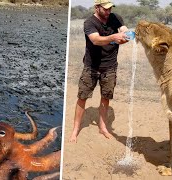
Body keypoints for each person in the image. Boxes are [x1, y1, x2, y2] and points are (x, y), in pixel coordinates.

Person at [69, 0, 129, 143]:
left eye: (110, 9)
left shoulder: (116, 18)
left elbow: (125, 31)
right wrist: (114, 37)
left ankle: (102, 126)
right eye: (105, 9)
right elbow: (95, 40)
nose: (108, 12)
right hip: (91, 66)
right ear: (97, 7)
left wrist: (125, 36)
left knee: (105, 97)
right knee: (82, 97)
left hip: (110, 66)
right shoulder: (89, 23)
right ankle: (75, 129)